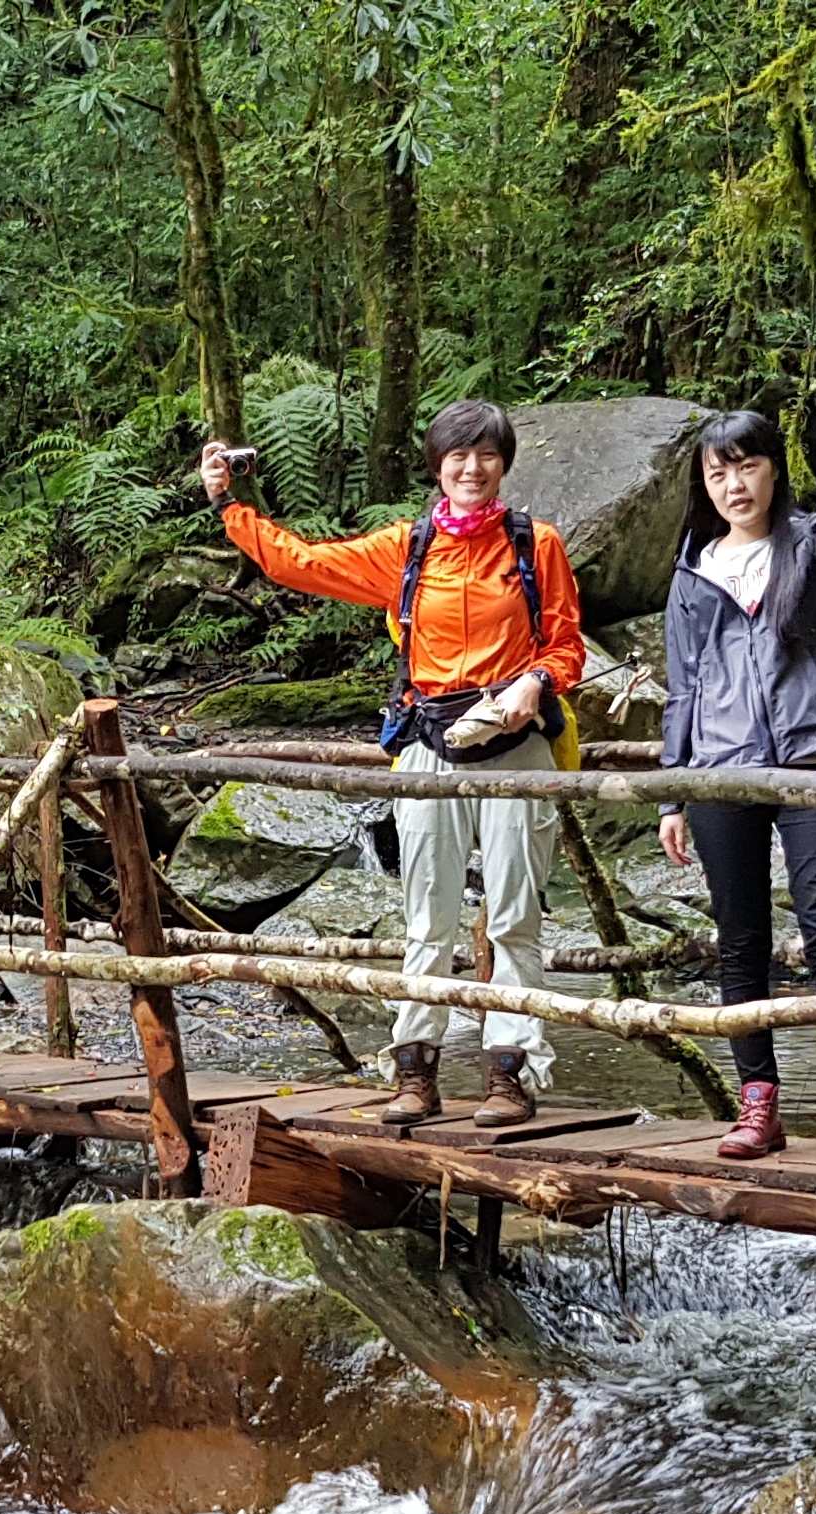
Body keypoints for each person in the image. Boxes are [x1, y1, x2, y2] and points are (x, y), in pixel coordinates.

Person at [201, 400, 585, 1128]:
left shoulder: (537, 546)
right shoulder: (405, 550)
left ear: (504, 463)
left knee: (513, 918)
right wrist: (229, 503)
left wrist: (535, 682)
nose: (472, 469)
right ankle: (415, 1072)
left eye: (486, 456)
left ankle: (510, 1074)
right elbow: (299, 563)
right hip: (430, 741)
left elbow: (566, 646)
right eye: (458, 456)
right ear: (437, 465)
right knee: (427, 919)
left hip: (518, 742)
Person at [657, 315, 816, 1170]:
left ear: (773, 471)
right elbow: (682, 685)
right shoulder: (693, 573)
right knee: (740, 938)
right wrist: (672, 789)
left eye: (749, 466)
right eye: (718, 470)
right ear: (705, 480)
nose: (735, 484)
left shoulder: (815, 545)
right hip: (721, 770)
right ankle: (757, 1104)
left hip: (812, 753)